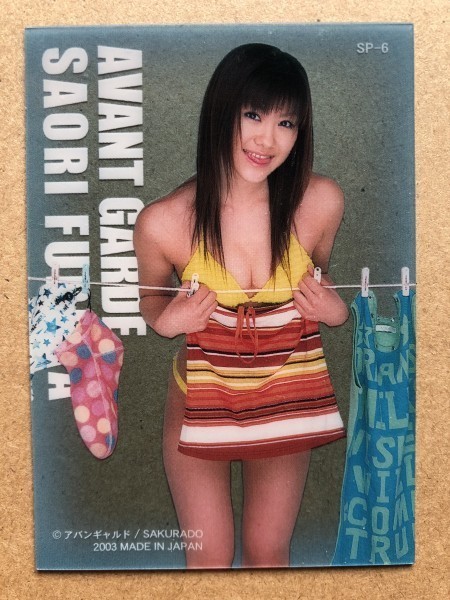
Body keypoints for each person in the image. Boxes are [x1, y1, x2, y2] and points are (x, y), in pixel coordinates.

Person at [134, 43, 349, 569]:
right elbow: (151, 301)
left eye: (286, 123)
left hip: (287, 391)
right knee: (207, 557)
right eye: (253, 115)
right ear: (221, 111)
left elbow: (323, 280)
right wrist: (169, 321)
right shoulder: (163, 222)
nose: (267, 140)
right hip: (199, 394)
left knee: (268, 552)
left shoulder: (322, 202)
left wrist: (336, 311)